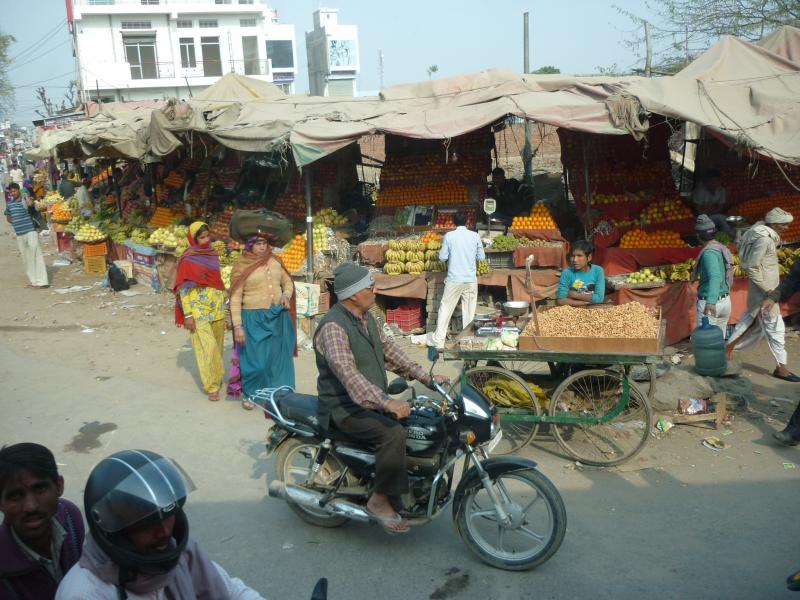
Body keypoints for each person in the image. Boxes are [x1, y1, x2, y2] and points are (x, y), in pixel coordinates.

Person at [314, 263, 447, 534]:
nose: (374, 291)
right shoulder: (333, 327)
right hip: (343, 407)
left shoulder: (369, 318)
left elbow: (392, 353)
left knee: (420, 423)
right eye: (369, 287)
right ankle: (379, 500)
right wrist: (386, 402)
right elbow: (349, 376)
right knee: (392, 434)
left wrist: (427, 378)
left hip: (368, 399)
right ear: (353, 295)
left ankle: (400, 485)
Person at [56, 449, 266, 599]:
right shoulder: (86, 593)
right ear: (115, 532)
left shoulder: (182, 554)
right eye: (145, 525)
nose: (164, 531)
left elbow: (232, 590)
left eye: (168, 517)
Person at [0, 443, 85, 599]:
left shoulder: (70, 516)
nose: (31, 507)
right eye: (15, 496)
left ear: (59, 486)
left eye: (40, 489)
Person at [727, 207, 799, 382]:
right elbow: (752, 267)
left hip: (764, 290)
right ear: (773, 224)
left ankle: (726, 351)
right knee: (775, 328)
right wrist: (769, 291)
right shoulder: (764, 240)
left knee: (749, 321)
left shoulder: (763, 234)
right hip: (765, 292)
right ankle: (781, 368)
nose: (787, 228)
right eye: (784, 225)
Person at [228, 231, 296, 410]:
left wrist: (286, 295)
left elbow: (288, 282)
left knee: (278, 359)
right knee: (256, 362)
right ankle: (252, 394)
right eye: (258, 243)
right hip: (253, 318)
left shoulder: (275, 261)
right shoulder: (242, 265)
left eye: (265, 243)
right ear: (250, 245)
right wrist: (238, 326)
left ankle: (280, 395)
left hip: (277, 316)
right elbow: (235, 297)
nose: (262, 247)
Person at [173, 222, 227, 401]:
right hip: (198, 309)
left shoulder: (213, 254)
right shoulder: (188, 259)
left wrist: (226, 301)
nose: (205, 240)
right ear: (193, 239)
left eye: (207, 236)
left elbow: (218, 280)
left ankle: (216, 378)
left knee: (218, 347)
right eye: (201, 237)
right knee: (208, 348)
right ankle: (212, 386)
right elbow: (183, 289)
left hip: (217, 306)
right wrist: (188, 315)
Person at [428, 210, 485, 349]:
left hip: (454, 279)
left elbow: (442, 258)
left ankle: (439, 342)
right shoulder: (475, 236)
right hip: (470, 280)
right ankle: (468, 342)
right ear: (467, 221)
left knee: (445, 309)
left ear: (454, 222)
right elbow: (481, 257)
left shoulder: (449, 236)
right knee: (469, 312)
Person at [691, 214, 733, 336]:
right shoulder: (721, 248)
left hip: (711, 303)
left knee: (707, 341)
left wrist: (711, 301)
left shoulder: (709, 253)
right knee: (718, 341)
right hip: (724, 301)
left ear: (698, 236)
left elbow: (715, 276)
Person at [4, 182, 49, 288]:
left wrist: (25, 195)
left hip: (30, 231)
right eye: (11, 192)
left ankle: (43, 281)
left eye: (14, 191)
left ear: (18, 190)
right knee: (26, 258)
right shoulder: (9, 204)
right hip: (20, 234)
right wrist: (15, 223)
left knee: (36, 254)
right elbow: (8, 217)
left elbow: (30, 204)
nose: (13, 193)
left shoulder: (25, 200)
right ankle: (34, 281)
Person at [556, 240, 605, 306]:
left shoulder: (598, 271)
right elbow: (561, 300)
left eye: (579, 256)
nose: (575, 260)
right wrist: (584, 303)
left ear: (589, 257)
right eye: (573, 256)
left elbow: (599, 298)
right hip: (572, 309)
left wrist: (574, 295)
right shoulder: (567, 273)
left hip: (593, 309)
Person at [691, 169, 732, 234]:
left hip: (714, 216)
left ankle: (722, 237)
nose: (715, 183)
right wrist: (712, 209)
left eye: (717, 181)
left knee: (726, 222)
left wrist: (707, 209)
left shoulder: (721, 190)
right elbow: (698, 211)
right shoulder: (699, 191)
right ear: (707, 181)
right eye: (712, 181)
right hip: (700, 218)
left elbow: (720, 208)